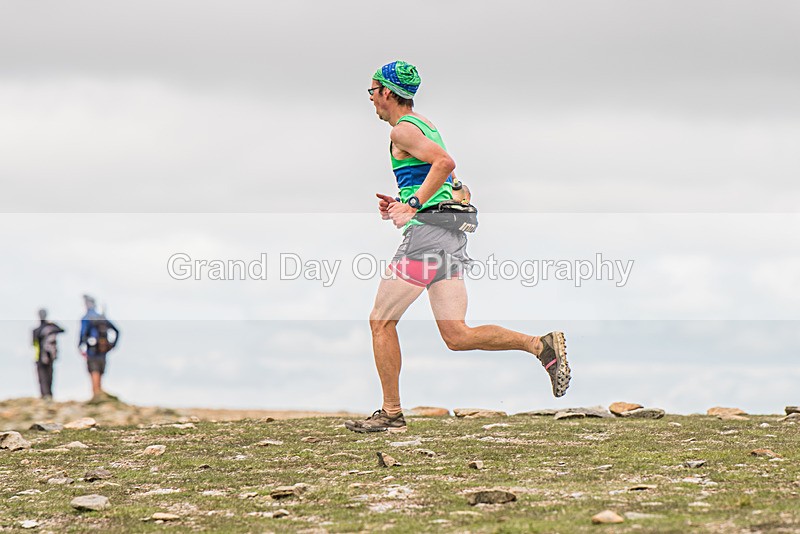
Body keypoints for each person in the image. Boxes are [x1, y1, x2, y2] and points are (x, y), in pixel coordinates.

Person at [344, 61, 571, 433]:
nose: (371, 101)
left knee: (380, 320)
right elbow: (458, 185)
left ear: (386, 92)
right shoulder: (427, 126)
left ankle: (391, 413)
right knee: (457, 335)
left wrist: (414, 204)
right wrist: (403, 201)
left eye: (372, 92)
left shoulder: (403, 130)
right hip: (449, 237)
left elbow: (445, 162)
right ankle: (539, 345)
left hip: (427, 238)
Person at [79, 294, 120, 401]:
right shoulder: (102, 317)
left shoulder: (86, 318)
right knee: (100, 371)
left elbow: (83, 334)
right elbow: (117, 330)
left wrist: (80, 346)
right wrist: (112, 345)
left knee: (94, 371)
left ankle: (96, 394)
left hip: (92, 350)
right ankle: (99, 392)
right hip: (103, 350)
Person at [32, 309, 64, 400]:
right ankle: (49, 395)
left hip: (40, 357)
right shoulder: (51, 327)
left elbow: (33, 343)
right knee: (49, 376)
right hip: (50, 357)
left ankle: (45, 395)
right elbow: (62, 330)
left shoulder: (36, 330)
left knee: (42, 377)